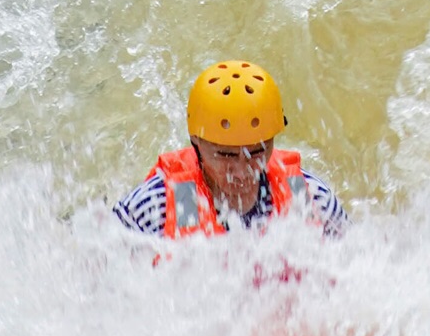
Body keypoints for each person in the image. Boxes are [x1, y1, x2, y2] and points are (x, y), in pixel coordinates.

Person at [113, 60, 346, 238]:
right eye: (226, 155)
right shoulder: (152, 208)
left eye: (257, 152)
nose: (243, 171)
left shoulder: (310, 197)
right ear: (196, 141)